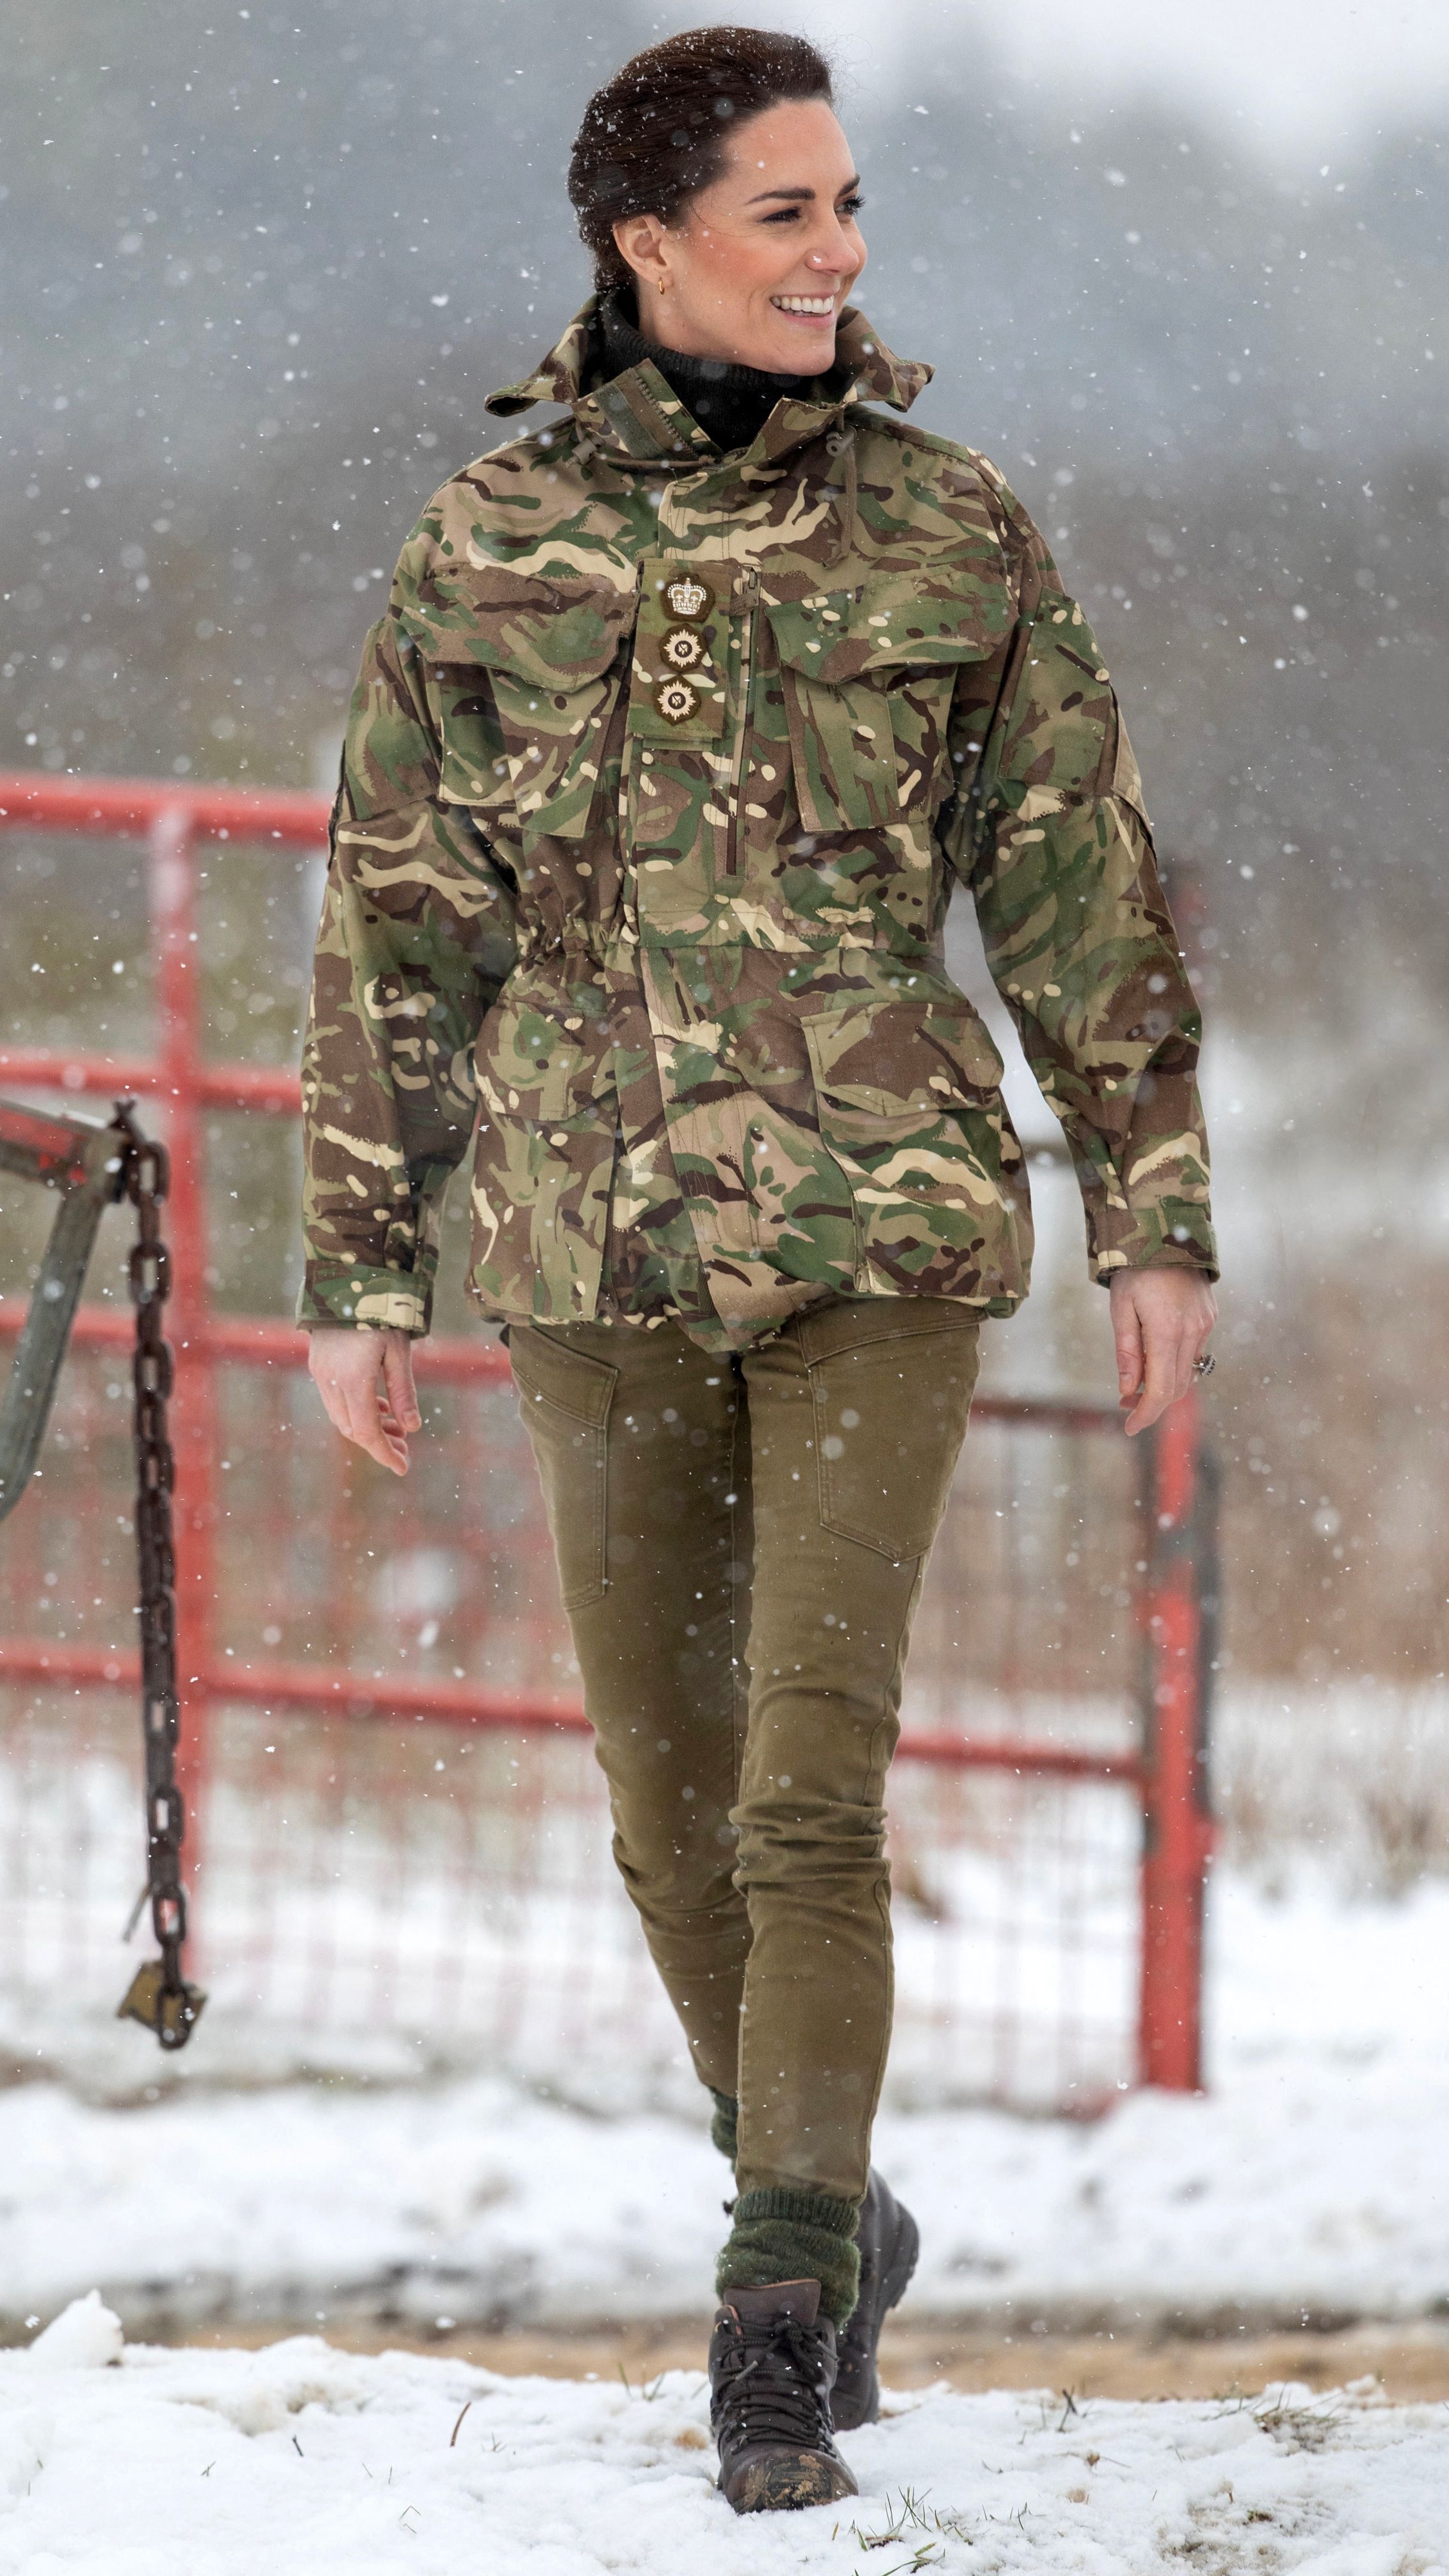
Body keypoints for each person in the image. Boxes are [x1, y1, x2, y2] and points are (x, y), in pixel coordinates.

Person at [299, 24, 1217, 2515]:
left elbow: (1074, 889)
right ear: (647, 242)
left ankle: (774, 2301)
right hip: (585, 1242)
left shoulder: (950, 533)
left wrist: (1154, 1211)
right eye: (786, 210)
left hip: (875, 1234)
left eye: (849, 205)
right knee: (660, 1799)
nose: (838, 251)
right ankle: (832, 2190)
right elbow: (401, 921)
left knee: (813, 1785)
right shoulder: (485, 542)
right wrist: (358, 1270)